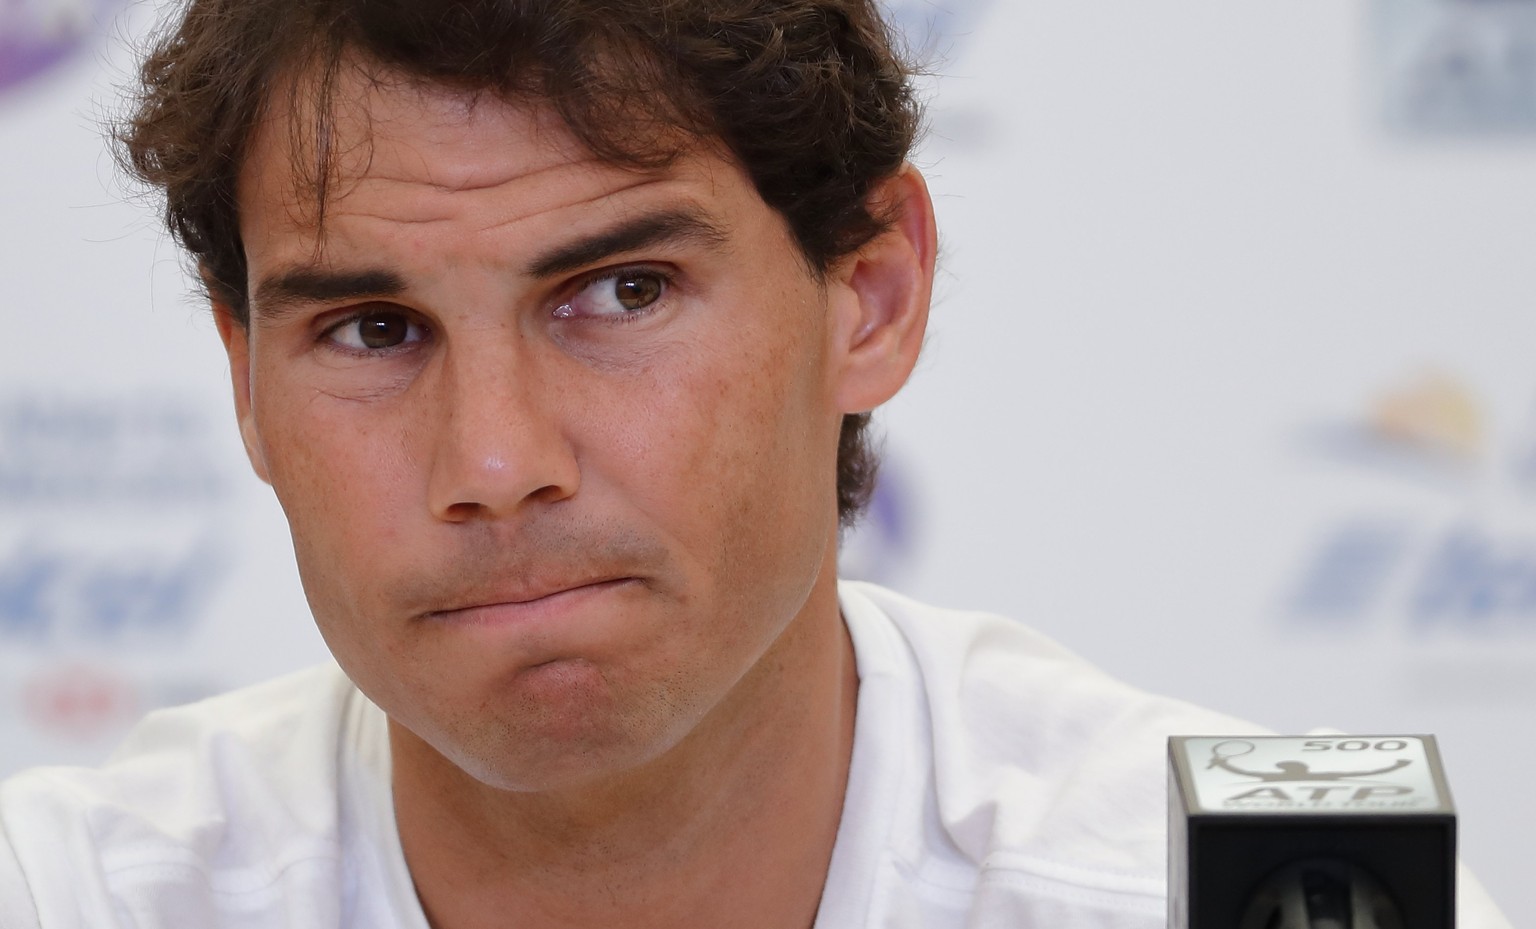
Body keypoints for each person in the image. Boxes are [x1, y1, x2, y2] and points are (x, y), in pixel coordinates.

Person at [0, 2, 1512, 927]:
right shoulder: (68, 900)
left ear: (871, 295)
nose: (496, 458)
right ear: (244, 382)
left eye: (623, 293)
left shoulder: (1240, 899)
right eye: (374, 326)